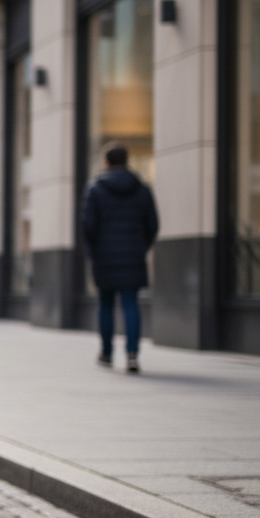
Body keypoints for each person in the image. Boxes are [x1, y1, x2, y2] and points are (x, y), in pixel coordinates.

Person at [82, 143, 159, 372]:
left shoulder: (95, 189)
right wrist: (140, 247)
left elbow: (88, 225)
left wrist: (94, 251)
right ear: (127, 161)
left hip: (104, 256)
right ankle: (132, 356)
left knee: (105, 304)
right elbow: (153, 225)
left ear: (106, 162)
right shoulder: (142, 189)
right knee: (131, 303)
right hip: (134, 255)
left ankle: (106, 353)